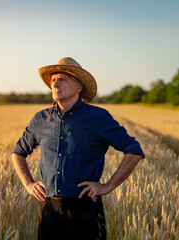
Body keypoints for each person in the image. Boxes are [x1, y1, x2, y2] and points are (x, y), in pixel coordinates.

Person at [11, 57, 145, 240]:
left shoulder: (98, 118)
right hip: (48, 209)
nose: (55, 83)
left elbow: (134, 150)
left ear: (79, 87)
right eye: (53, 80)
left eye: (62, 79)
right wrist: (28, 183)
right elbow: (18, 153)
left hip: (84, 209)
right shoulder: (41, 119)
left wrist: (108, 186)